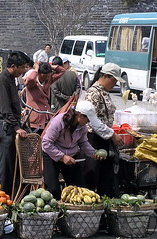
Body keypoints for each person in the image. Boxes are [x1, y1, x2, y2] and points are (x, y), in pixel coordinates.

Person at [41, 101, 102, 199]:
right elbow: (46, 143)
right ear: (80, 116)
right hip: (51, 154)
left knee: (79, 188)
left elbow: (83, 142)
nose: (88, 122)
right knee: (53, 190)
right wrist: (62, 156)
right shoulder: (59, 122)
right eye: (88, 119)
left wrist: (93, 153)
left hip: (71, 156)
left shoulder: (82, 128)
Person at [83, 63, 125, 197]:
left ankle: (104, 208)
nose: (115, 84)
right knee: (92, 173)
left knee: (105, 176)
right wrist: (112, 134)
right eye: (114, 80)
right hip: (93, 139)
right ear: (106, 76)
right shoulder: (93, 93)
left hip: (104, 138)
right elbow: (92, 120)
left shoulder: (105, 92)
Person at [0, 51, 30, 196]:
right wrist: (16, 127)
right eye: (22, 67)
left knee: (13, 165)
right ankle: (2, 199)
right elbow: (5, 108)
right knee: (5, 167)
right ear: (13, 66)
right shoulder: (2, 80)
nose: (24, 70)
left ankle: (11, 197)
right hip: (6, 127)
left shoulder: (12, 79)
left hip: (11, 125)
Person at [23, 61, 65, 133]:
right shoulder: (32, 83)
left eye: (48, 76)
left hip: (46, 118)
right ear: (38, 73)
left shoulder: (48, 80)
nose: (46, 78)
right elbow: (31, 78)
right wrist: (36, 68)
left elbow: (62, 71)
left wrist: (48, 65)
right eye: (44, 76)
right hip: (34, 119)